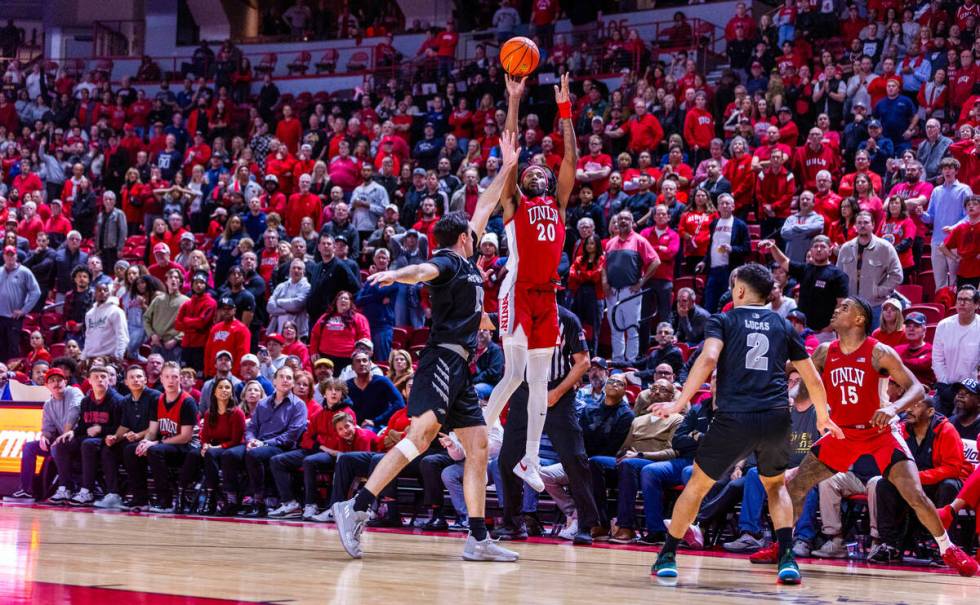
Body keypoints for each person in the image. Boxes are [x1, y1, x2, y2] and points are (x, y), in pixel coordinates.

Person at [331, 131, 521, 563]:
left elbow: (486, 203)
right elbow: (422, 269)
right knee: (421, 435)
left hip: (460, 371)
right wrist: (397, 275)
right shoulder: (449, 261)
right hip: (439, 361)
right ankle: (357, 507)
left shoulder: (466, 257)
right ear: (464, 239)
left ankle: (477, 537)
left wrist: (507, 166)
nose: (480, 233)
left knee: (477, 447)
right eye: (474, 233)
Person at [751, 297, 980, 577]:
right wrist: (791, 380)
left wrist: (893, 407)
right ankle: (782, 546)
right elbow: (802, 394)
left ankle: (949, 549)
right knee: (796, 487)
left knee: (915, 494)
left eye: (845, 307)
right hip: (842, 434)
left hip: (879, 433)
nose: (836, 310)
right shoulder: (824, 352)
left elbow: (917, 388)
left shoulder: (879, 352)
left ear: (860, 319)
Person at [651, 263, 840, 584]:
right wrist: (823, 416)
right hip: (776, 417)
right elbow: (813, 377)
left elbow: (709, 359)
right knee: (776, 487)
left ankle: (668, 555)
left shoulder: (722, 320)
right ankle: (787, 559)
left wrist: (678, 403)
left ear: (739, 290)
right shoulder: (783, 326)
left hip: (734, 416)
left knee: (696, 487)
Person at [482, 74, 578, 493]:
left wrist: (566, 112)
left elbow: (571, 161)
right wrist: (514, 98)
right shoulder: (514, 202)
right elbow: (512, 149)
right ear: (521, 181)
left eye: (543, 170)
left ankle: (531, 460)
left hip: (548, 296)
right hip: (517, 291)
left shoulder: (558, 203)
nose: (538, 173)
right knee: (516, 373)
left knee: (540, 380)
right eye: (531, 171)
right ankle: (482, 426)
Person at [494, 304, 600, 544]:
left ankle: (586, 524)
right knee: (507, 459)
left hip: (557, 394)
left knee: (574, 460)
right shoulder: (513, 312)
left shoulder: (567, 319)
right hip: (523, 393)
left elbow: (583, 362)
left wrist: (558, 393)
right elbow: (482, 320)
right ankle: (513, 524)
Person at [868, 395, 971, 562]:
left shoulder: (946, 430)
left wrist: (916, 478)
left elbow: (953, 469)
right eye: (908, 406)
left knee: (949, 486)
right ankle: (890, 545)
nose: (908, 409)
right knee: (884, 484)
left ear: (930, 411)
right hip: (914, 485)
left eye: (916, 406)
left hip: (941, 483)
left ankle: (944, 545)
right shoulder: (900, 430)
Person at [222, 366, 308, 517]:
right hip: (258, 443)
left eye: (289, 378)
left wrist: (264, 444)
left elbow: (291, 436)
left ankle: (258, 500)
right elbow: (251, 427)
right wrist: (251, 440)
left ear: (293, 383)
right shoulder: (263, 403)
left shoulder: (298, 405)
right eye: (281, 376)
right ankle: (232, 500)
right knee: (229, 454)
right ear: (274, 380)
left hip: (282, 447)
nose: (285, 380)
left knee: (254, 455)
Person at [49, 366, 123, 505]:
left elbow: (122, 427)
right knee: (62, 443)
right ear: (89, 380)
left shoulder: (117, 401)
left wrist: (101, 429)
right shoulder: (86, 401)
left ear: (109, 380)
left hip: (109, 440)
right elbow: (83, 426)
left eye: (103, 377)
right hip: (90, 438)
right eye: (96, 377)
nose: (100, 380)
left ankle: (87, 490)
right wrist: (72, 432)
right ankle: (65, 488)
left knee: (88, 444)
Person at [5, 368, 81, 502]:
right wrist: (44, 437)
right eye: (52, 381)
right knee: (29, 447)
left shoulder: (74, 392)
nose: (56, 383)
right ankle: (26, 490)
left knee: (58, 446)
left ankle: (66, 488)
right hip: (60, 441)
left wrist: (66, 431)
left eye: (59, 380)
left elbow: (75, 410)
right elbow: (47, 427)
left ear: (66, 382)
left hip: (77, 438)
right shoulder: (48, 404)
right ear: (46, 385)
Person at [93, 364, 161, 510]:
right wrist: (115, 437)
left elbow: (155, 427)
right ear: (126, 382)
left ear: (145, 380)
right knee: (108, 449)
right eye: (132, 377)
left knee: (130, 450)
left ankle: (140, 498)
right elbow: (124, 426)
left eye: (139, 377)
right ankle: (114, 494)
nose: (135, 380)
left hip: (153, 439)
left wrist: (138, 435)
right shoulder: (125, 401)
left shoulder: (154, 397)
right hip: (132, 438)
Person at [136, 362, 200, 513]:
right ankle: (140, 498)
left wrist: (155, 443)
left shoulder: (187, 402)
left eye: (174, 377)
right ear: (161, 379)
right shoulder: (158, 400)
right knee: (134, 450)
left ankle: (165, 501)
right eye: (167, 377)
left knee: (155, 451)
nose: (171, 380)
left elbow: (185, 437)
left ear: (180, 379)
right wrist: (145, 441)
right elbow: (152, 430)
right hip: (167, 447)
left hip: (188, 448)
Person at [835, 212, 903, 328]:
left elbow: (897, 275)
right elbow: (838, 276)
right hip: (851, 308)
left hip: (875, 306)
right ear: (855, 226)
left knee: (874, 342)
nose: (862, 225)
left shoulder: (885, 248)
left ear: (873, 225)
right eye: (859, 223)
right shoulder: (846, 248)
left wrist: (879, 291)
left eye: (866, 222)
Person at [932, 286, 980, 417]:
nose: (962, 303)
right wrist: (944, 384)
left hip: (973, 391)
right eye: (959, 299)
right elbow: (937, 359)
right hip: (946, 386)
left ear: (976, 304)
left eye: (967, 299)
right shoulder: (944, 325)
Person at [0, 244, 41, 362]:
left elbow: (36, 292)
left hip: (14, 317)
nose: (9, 258)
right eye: (7, 255)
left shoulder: (24, 272)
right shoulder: (0, 271)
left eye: (12, 255)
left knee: (13, 348)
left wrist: (24, 310)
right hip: (0, 316)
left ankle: (13, 375)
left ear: (16, 256)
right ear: (3, 256)